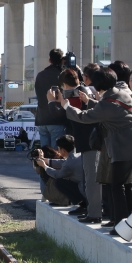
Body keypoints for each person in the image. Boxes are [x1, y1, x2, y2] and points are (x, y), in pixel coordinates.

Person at [51, 67, 132, 228]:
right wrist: (89, 101)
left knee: (117, 185)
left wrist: (66, 106)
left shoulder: (106, 104)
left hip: (125, 147)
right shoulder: (121, 94)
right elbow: (109, 108)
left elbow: (84, 117)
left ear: (97, 84)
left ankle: (121, 224)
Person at [48, 68, 101, 221]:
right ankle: (91, 209)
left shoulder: (75, 94)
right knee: (87, 179)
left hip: (88, 141)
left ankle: (94, 213)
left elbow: (65, 116)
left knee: (90, 180)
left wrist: (53, 102)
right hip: (88, 140)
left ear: (64, 84)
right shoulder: (85, 90)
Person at [32, 135, 86, 208]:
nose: (58, 151)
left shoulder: (70, 163)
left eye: (59, 149)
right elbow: (63, 162)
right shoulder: (77, 154)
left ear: (63, 150)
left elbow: (57, 175)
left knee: (59, 182)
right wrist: (45, 160)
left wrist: (44, 166)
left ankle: (82, 204)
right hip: (88, 187)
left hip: (84, 190)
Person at [34, 48, 67, 148]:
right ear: (62, 60)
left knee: (45, 152)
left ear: (49, 60)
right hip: (57, 118)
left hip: (42, 118)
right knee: (56, 153)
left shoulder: (40, 75)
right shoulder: (62, 75)